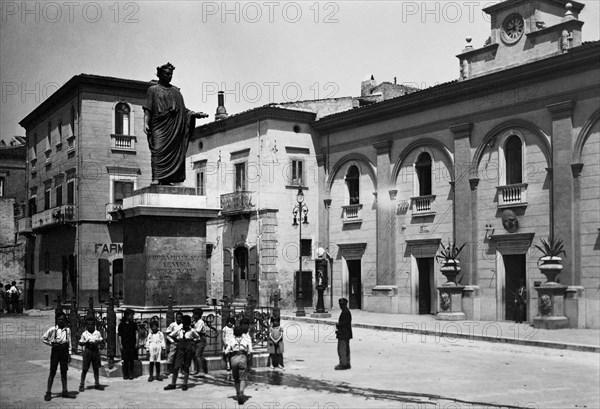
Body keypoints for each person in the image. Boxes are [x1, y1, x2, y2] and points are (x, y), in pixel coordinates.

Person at [143, 62, 208, 185]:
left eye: (171, 74)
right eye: (166, 74)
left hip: (174, 127)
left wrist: (194, 114)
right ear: (160, 74)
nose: (169, 76)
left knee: (173, 151)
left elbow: (184, 110)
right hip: (159, 125)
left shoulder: (176, 92)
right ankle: (156, 177)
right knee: (158, 149)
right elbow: (148, 109)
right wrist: (145, 123)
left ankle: (169, 178)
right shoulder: (152, 90)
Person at [42, 312, 72, 401]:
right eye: (59, 319)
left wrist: (69, 353)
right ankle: (48, 392)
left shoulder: (68, 330)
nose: (61, 321)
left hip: (64, 351)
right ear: (56, 320)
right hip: (56, 351)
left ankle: (65, 391)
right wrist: (51, 343)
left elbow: (69, 342)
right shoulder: (53, 329)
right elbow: (43, 338)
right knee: (52, 371)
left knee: (64, 371)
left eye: (63, 319)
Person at [164, 315, 199, 391]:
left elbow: (198, 337)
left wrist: (192, 342)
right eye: (184, 324)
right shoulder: (178, 329)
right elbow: (169, 336)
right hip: (180, 349)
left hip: (188, 349)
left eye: (187, 324)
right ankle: (173, 383)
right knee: (176, 366)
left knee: (186, 367)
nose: (185, 325)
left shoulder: (192, 331)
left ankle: (185, 383)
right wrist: (174, 342)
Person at [224, 325, 253, 404]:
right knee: (243, 378)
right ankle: (241, 392)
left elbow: (226, 351)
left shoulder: (231, 340)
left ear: (234, 332)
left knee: (236, 378)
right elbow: (250, 351)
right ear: (242, 332)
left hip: (233, 358)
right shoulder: (246, 339)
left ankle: (237, 393)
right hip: (243, 358)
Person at [78, 317, 105, 392]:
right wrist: (86, 343)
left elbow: (102, 342)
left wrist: (100, 344)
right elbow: (80, 343)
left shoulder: (97, 333)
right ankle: (82, 384)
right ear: (86, 325)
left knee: (96, 368)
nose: (90, 326)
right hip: (88, 351)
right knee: (85, 369)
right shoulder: (84, 334)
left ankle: (97, 383)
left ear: (94, 325)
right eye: (89, 325)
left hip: (95, 351)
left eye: (92, 324)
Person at [118, 308, 138, 380]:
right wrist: (120, 344)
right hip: (125, 343)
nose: (132, 317)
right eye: (130, 315)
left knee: (131, 359)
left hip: (132, 343)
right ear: (126, 315)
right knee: (125, 360)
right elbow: (119, 335)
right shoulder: (122, 325)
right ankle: (125, 374)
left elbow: (136, 333)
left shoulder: (134, 324)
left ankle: (131, 373)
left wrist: (136, 342)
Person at [335, 298, 352, 370]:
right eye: (340, 304)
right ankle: (347, 363)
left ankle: (343, 364)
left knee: (342, 349)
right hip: (346, 333)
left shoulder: (345, 312)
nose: (340, 306)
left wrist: (338, 325)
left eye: (341, 304)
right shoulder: (346, 311)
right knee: (346, 348)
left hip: (343, 333)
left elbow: (345, 323)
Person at [165, 312, 183, 376]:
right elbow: (167, 334)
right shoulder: (172, 325)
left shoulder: (183, 325)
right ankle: (168, 369)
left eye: (180, 317)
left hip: (181, 342)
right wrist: (172, 341)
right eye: (177, 317)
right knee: (171, 355)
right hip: (174, 342)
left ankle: (181, 369)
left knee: (181, 355)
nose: (178, 319)